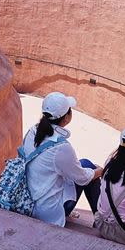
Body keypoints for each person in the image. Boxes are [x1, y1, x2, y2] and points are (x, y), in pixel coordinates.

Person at [21, 92, 104, 227]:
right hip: (46, 213)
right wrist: (101, 170)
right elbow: (83, 178)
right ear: (66, 118)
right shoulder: (61, 147)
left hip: (25, 199)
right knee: (88, 168)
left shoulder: (32, 131)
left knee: (84, 165)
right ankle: (101, 221)